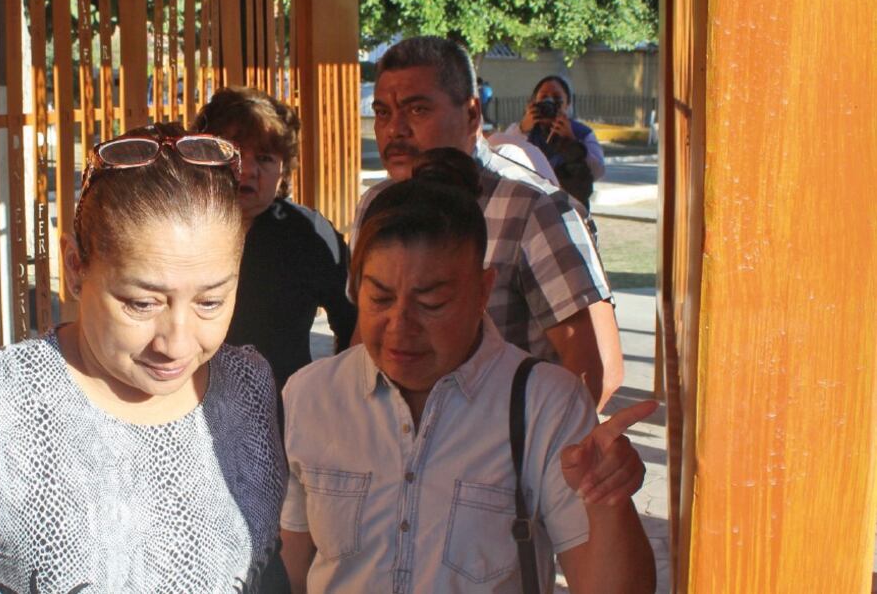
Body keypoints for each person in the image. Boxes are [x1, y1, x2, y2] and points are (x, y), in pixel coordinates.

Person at [0, 123, 287, 592]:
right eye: (141, 303)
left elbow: (264, 565)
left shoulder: (249, 385)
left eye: (210, 302)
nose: (175, 342)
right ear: (75, 267)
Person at [280, 159, 656, 593]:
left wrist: (607, 498)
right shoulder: (311, 396)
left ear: (483, 290)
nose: (401, 327)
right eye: (380, 297)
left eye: (432, 303)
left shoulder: (545, 404)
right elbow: (290, 567)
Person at [355, 36, 623, 410]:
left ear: (471, 115)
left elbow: (596, 372)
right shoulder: (374, 205)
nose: (394, 129)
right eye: (382, 113)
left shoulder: (534, 209)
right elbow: (362, 344)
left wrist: (530, 456)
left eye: (417, 111)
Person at [193, 87, 357, 390]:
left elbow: (354, 323)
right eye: (235, 153)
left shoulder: (309, 233)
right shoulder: (178, 227)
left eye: (265, 158)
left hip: (285, 409)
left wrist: (338, 394)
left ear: (283, 170)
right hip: (190, 401)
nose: (249, 170)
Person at [503, 75, 606, 210]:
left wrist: (572, 142)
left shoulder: (582, 133)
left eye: (557, 99)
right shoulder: (519, 131)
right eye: (543, 97)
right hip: (531, 207)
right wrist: (522, 130)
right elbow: (503, 162)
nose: (549, 103)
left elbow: (598, 172)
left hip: (570, 207)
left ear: (567, 104)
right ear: (533, 102)